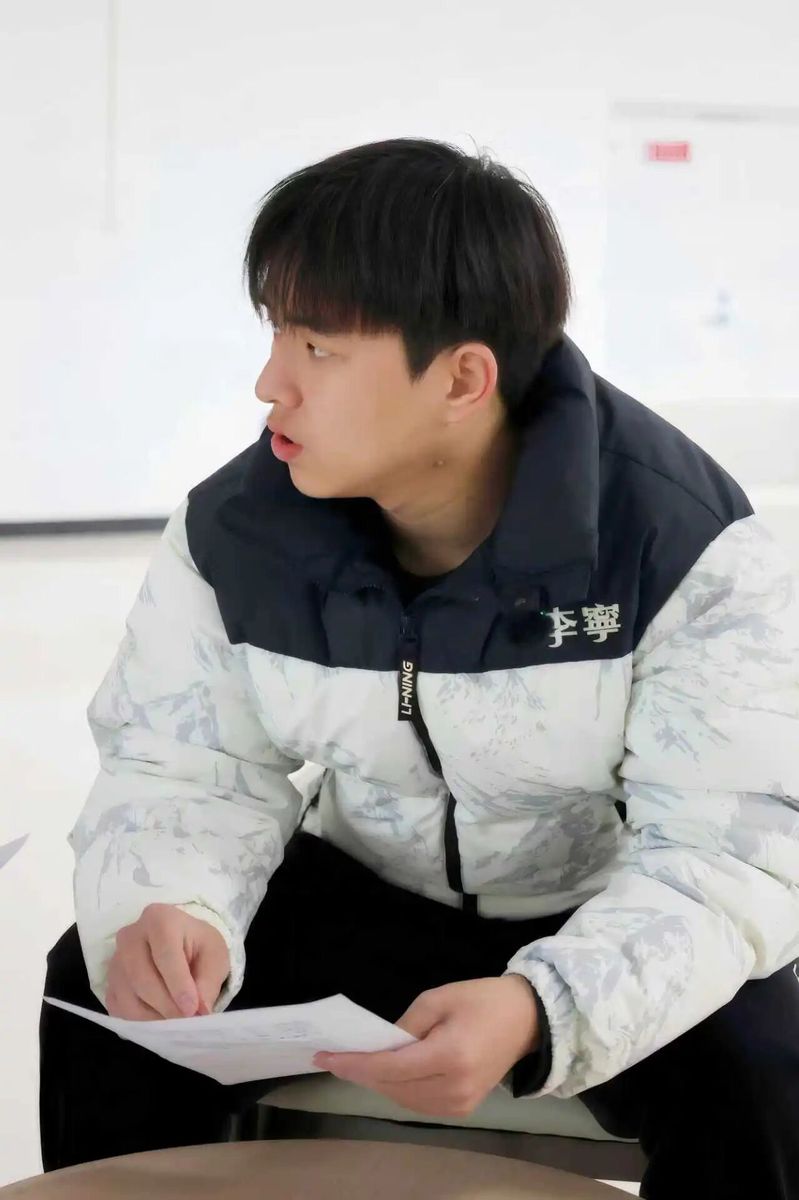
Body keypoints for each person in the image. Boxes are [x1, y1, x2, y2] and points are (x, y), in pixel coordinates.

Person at [40, 137, 799, 1199]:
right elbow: (183, 764)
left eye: (317, 347)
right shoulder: (236, 533)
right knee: (103, 986)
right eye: (274, 333)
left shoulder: (680, 542)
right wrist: (172, 906)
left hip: (599, 902)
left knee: (767, 1073)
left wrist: (543, 1008)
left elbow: (726, 853)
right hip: (368, 888)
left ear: (461, 378)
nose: (269, 385)